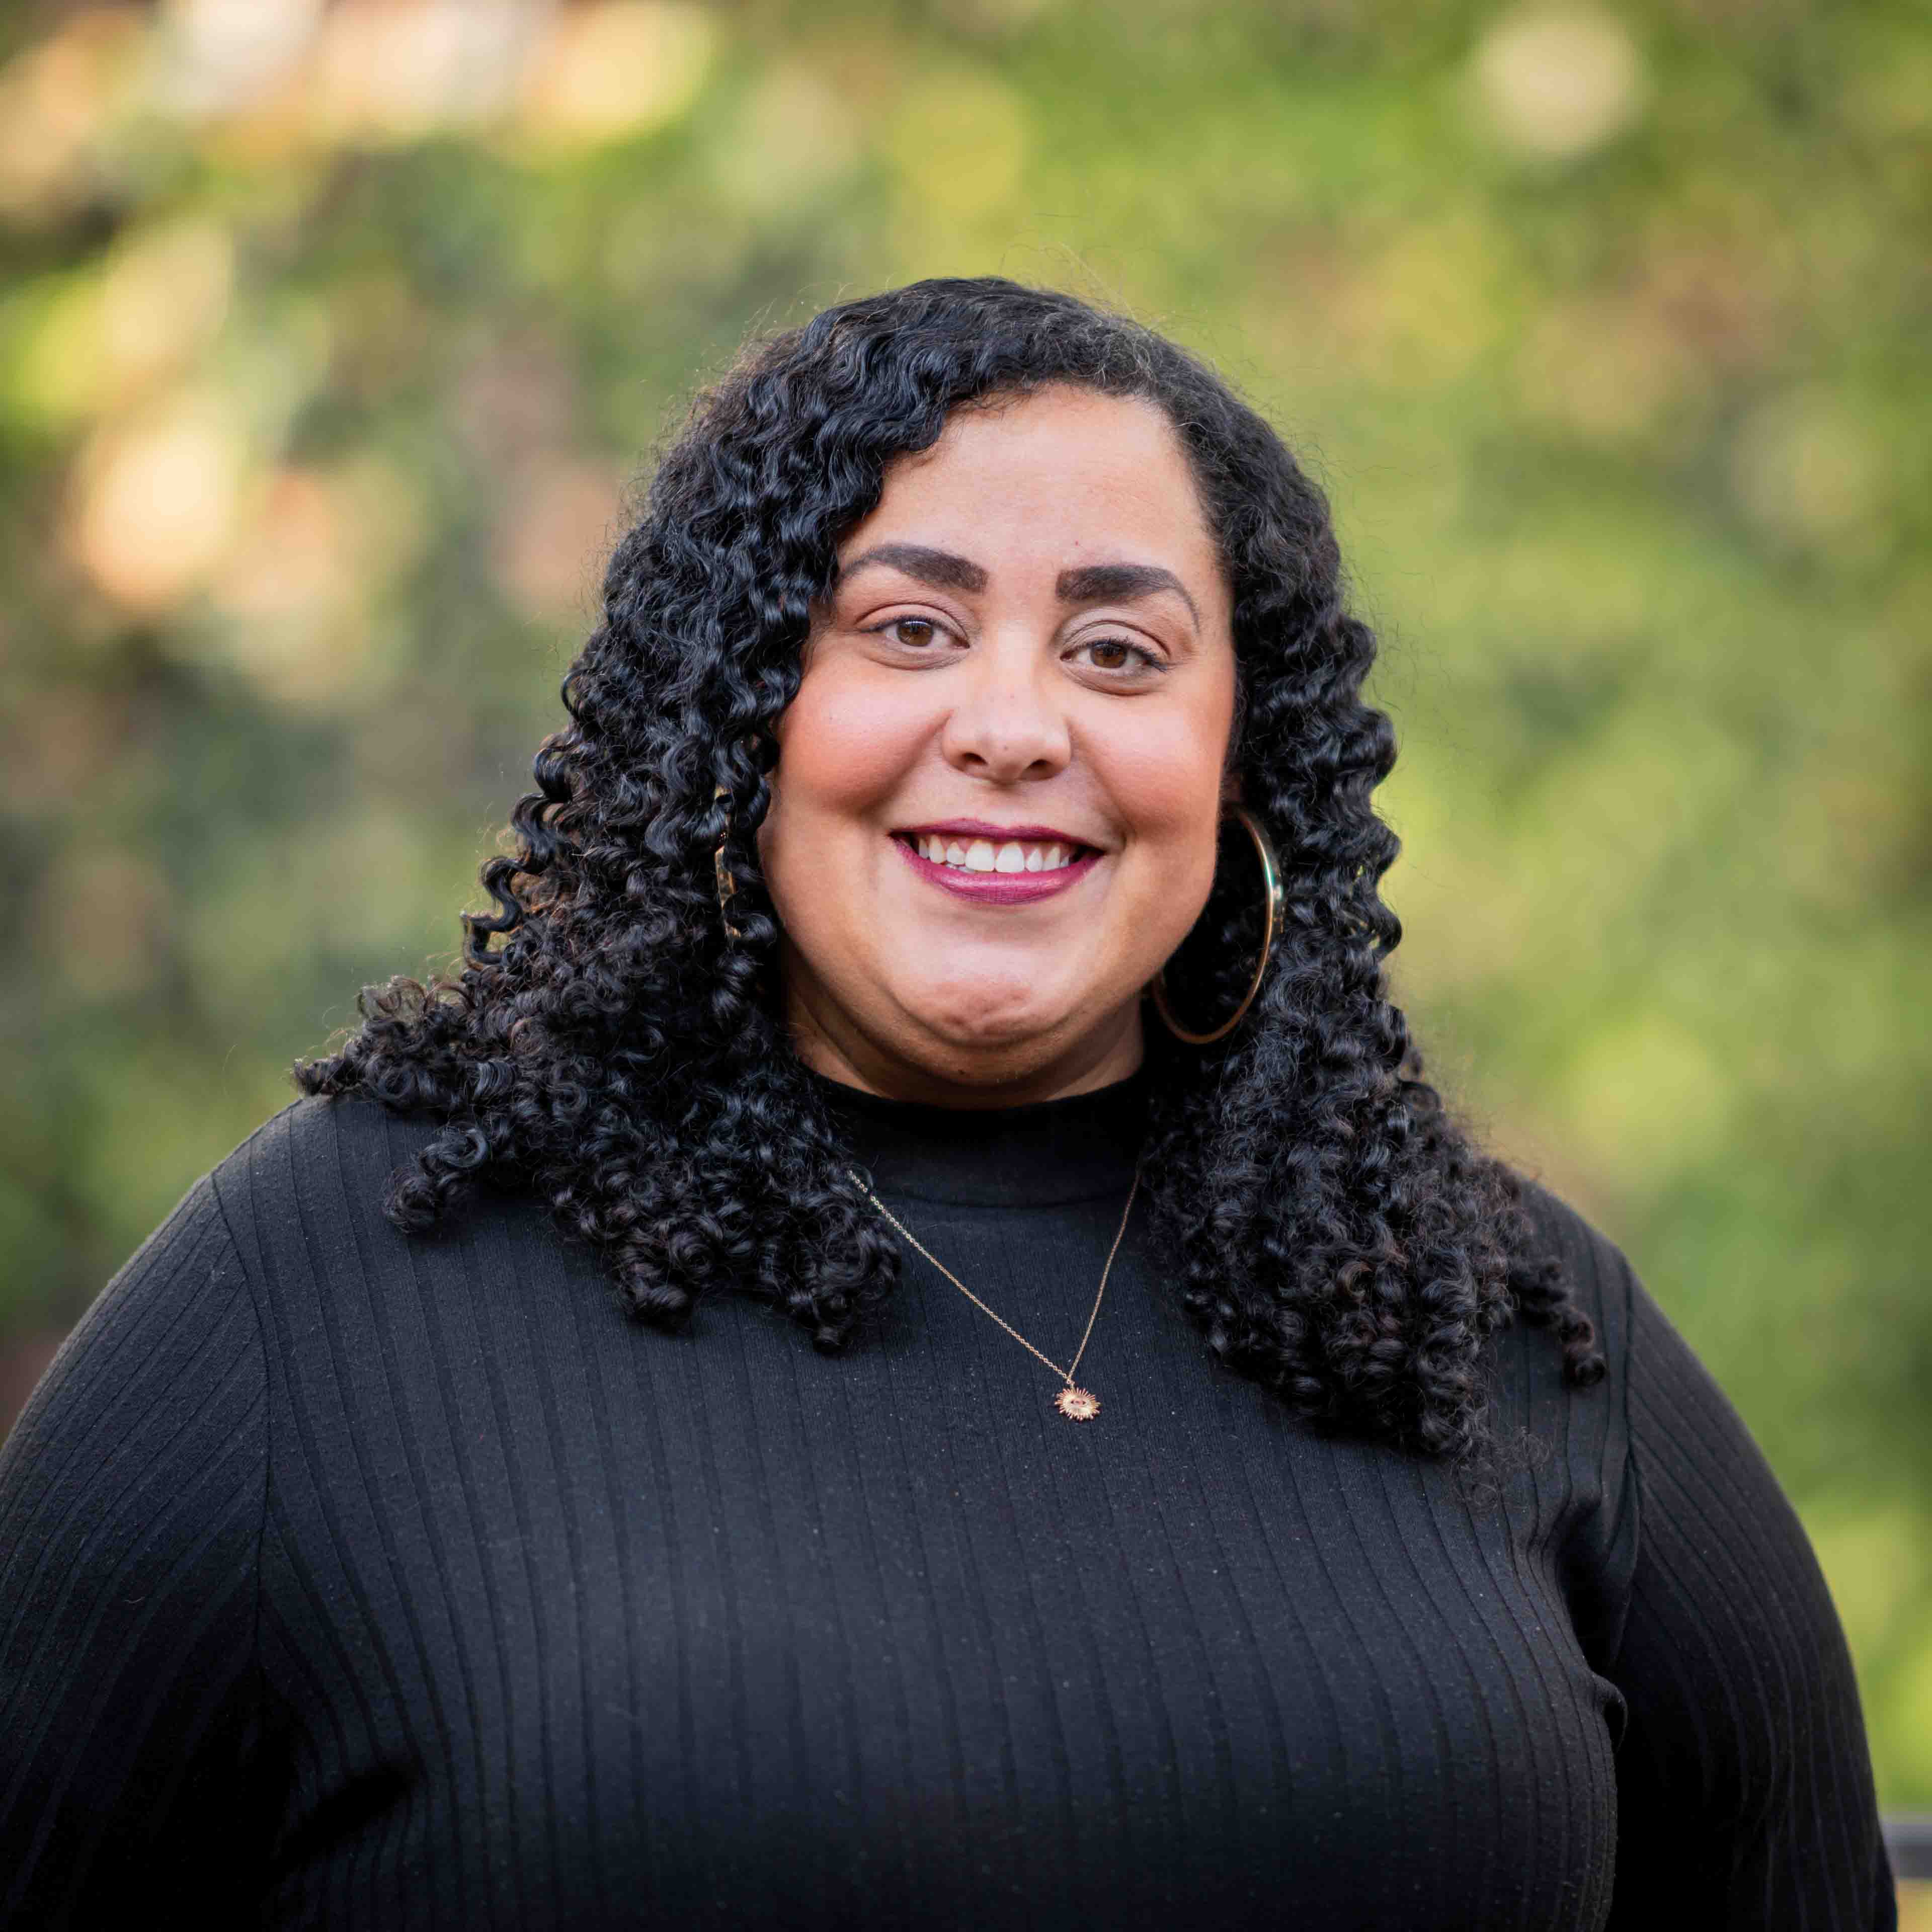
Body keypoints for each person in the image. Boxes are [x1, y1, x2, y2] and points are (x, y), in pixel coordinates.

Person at [0, 279, 1896, 1929]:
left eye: (1121, 650)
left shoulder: (1499, 1326)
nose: (1015, 722)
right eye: (908, 628)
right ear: (741, 715)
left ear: (1241, 760)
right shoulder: (326, 1293)